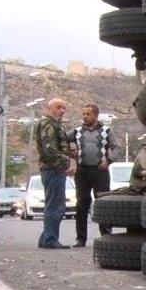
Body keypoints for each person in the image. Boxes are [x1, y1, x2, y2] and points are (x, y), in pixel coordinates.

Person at [68, 103, 117, 247]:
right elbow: (62, 141)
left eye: (88, 114)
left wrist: (109, 161)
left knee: (102, 203)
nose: (85, 116)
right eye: (83, 114)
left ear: (95, 115)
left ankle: (106, 236)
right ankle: (80, 239)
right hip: (82, 171)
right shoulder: (77, 131)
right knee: (82, 203)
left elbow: (117, 147)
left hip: (100, 171)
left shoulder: (106, 131)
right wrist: (69, 153)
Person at [35, 98, 75, 249]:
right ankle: (50, 239)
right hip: (53, 169)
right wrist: (64, 166)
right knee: (55, 205)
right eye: (59, 107)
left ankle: (46, 237)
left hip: (53, 169)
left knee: (53, 203)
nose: (62, 111)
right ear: (49, 108)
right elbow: (50, 151)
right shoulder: (48, 124)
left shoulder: (55, 124)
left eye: (64, 108)